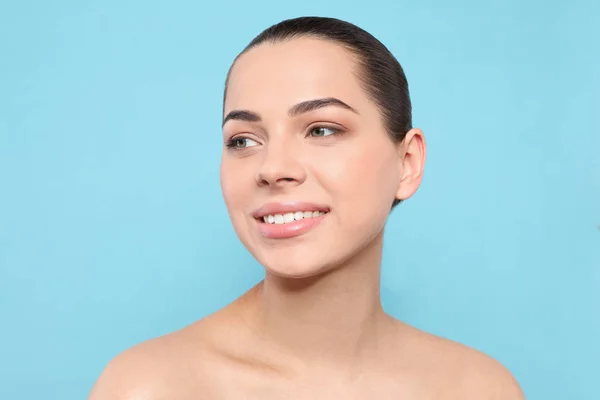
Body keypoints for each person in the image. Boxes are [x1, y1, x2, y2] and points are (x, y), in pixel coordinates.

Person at [89, 16, 524, 399]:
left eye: (321, 130)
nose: (273, 168)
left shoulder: (478, 389)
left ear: (407, 163)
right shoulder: (150, 388)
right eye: (243, 140)